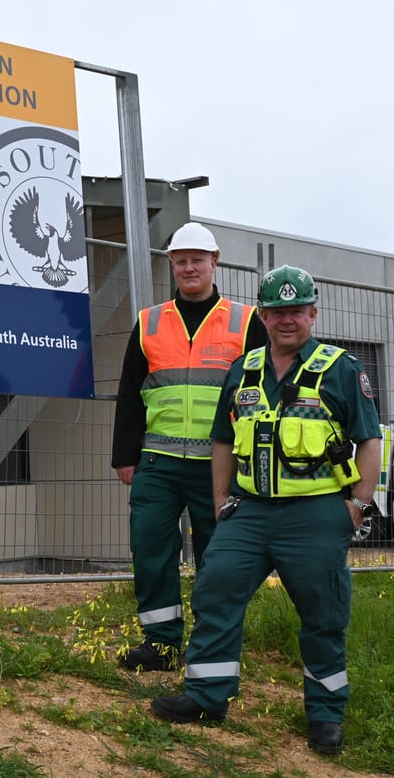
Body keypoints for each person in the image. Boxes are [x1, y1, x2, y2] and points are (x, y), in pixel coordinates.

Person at [149, 265, 382, 755]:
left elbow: (369, 440)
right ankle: (206, 697)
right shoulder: (245, 368)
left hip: (317, 514)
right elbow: (221, 442)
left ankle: (324, 716)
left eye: (296, 311)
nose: (286, 320)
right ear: (264, 316)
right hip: (250, 512)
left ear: (312, 313)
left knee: (323, 615)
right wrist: (219, 503)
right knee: (215, 593)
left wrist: (357, 506)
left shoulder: (341, 368)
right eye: (277, 312)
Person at [111, 222, 266, 671]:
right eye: (181, 261)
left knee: (217, 558)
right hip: (157, 463)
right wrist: (125, 456)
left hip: (218, 466)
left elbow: (261, 393)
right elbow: (130, 393)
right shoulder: (149, 322)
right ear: (171, 266)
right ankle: (160, 645)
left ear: (214, 263)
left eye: (198, 259)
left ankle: (211, 645)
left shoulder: (246, 321)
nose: (189, 268)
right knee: (151, 550)